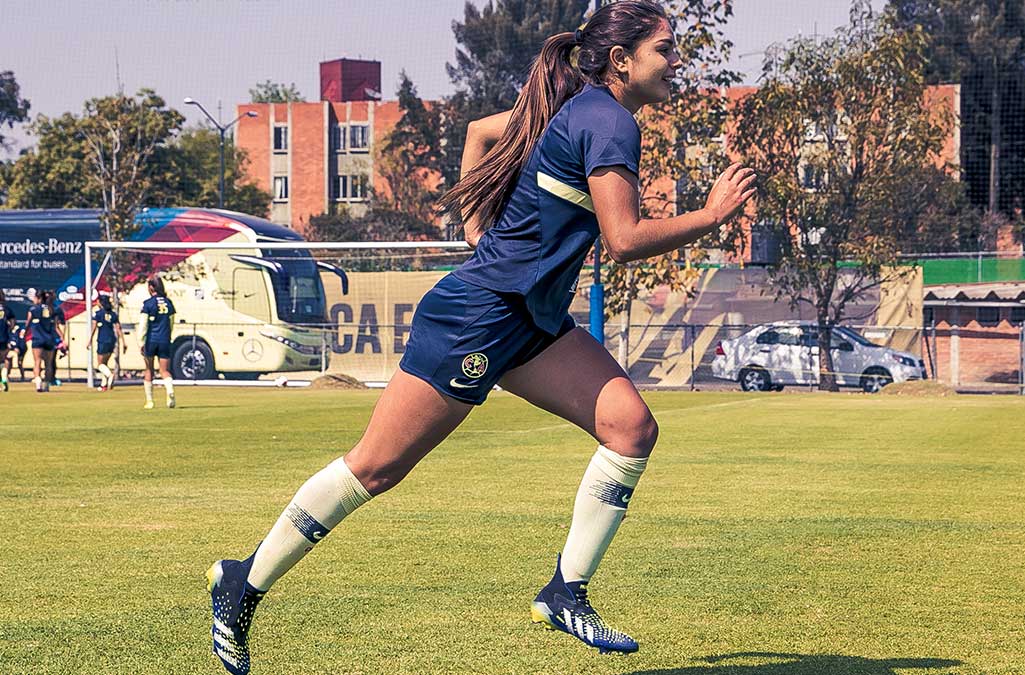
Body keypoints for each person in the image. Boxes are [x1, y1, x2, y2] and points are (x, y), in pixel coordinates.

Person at [206, 2, 755, 673]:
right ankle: (244, 580)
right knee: (376, 468)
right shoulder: (607, 120)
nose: (677, 62)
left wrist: (475, 228)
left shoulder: (577, 106)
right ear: (621, 60)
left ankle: (565, 590)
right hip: (479, 317)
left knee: (630, 427)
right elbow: (624, 240)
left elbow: (477, 133)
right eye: (666, 49)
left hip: (532, 320)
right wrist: (713, 215)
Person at [139, 276, 176, 409]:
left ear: (151, 288)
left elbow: (143, 325)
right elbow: (171, 323)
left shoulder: (148, 304)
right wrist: (168, 336)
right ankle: (170, 391)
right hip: (165, 340)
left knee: (149, 370)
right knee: (164, 370)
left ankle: (150, 401)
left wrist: (141, 342)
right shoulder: (169, 303)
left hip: (151, 341)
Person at [26, 293, 64, 393]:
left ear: (39, 298)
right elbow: (56, 326)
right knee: (48, 363)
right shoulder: (52, 310)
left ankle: (38, 383)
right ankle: (46, 385)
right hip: (49, 339)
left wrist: (24, 333)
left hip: (37, 339)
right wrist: (62, 338)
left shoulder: (33, 309)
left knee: (37, 361)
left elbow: (27, 323)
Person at [87, 294, 125, 391]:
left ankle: (110, 375)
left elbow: (94, 327)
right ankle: (104, 385)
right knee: (105, 363)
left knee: (100, 364)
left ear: (101, 302)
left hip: (102, 340)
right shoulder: (113, 314)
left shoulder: (98, 314)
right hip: (112, 340)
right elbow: (118, 328)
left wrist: (89, 340)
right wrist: (124, 342)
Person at [0, 301, 14, 392]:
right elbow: (13, 323)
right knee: (2, 360)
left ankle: (1, 381)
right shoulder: (6, 309)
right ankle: (4, 378)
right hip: (3, 338)